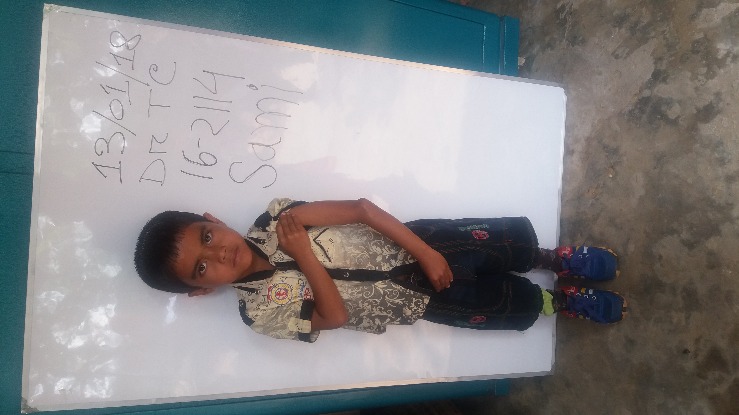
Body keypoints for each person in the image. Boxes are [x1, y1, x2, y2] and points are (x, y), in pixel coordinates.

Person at [134, 198, 627, 342]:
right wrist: (304, 256)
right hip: (415, 302)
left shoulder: (279, 218)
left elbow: (362, 210)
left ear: (213, 219)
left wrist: (426, 252)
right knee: (499, 304)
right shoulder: (259, 314)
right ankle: (560, 301)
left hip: (421, 245)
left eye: (206, 237)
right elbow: (335, 317)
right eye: (201, 268)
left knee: (498, 250)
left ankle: (555, 261)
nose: (219, 255)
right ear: (199, 291)